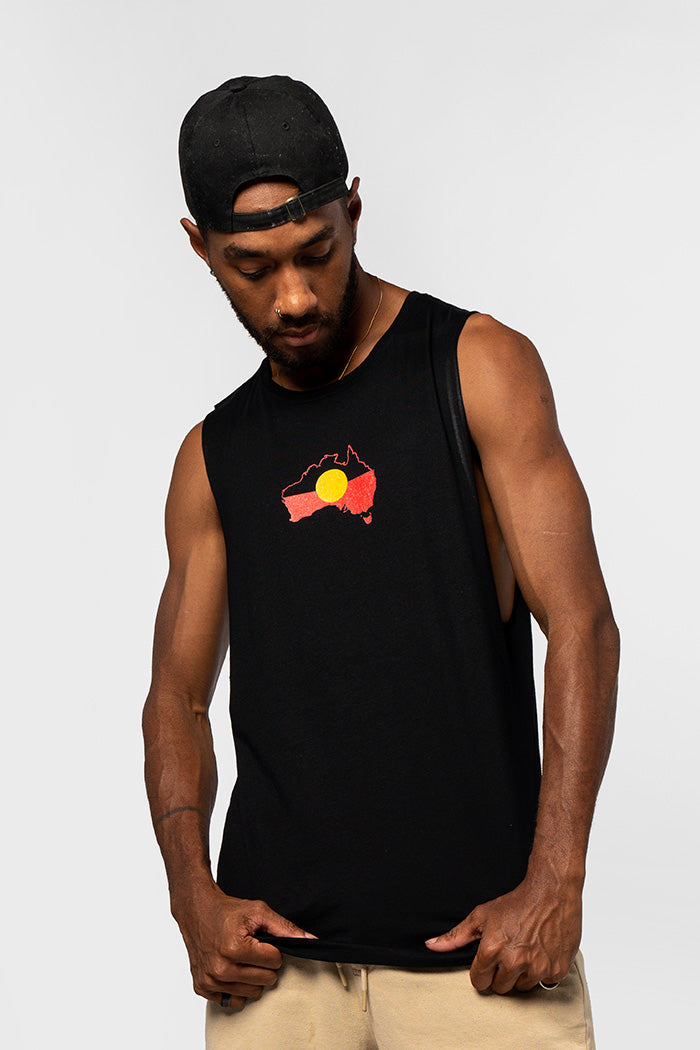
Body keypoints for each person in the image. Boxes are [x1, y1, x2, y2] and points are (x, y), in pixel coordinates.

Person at [142, 75, 619, 1050]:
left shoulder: (477, 367)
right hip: (278, 984)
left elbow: (581, 625)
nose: (293, 296)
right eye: (251, 268)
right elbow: (176, 697)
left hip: (481, 969)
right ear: (199, 246)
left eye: (316, 252)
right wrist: (192, 893)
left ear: (352, 209)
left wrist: (557, 880)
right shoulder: (213, 456)